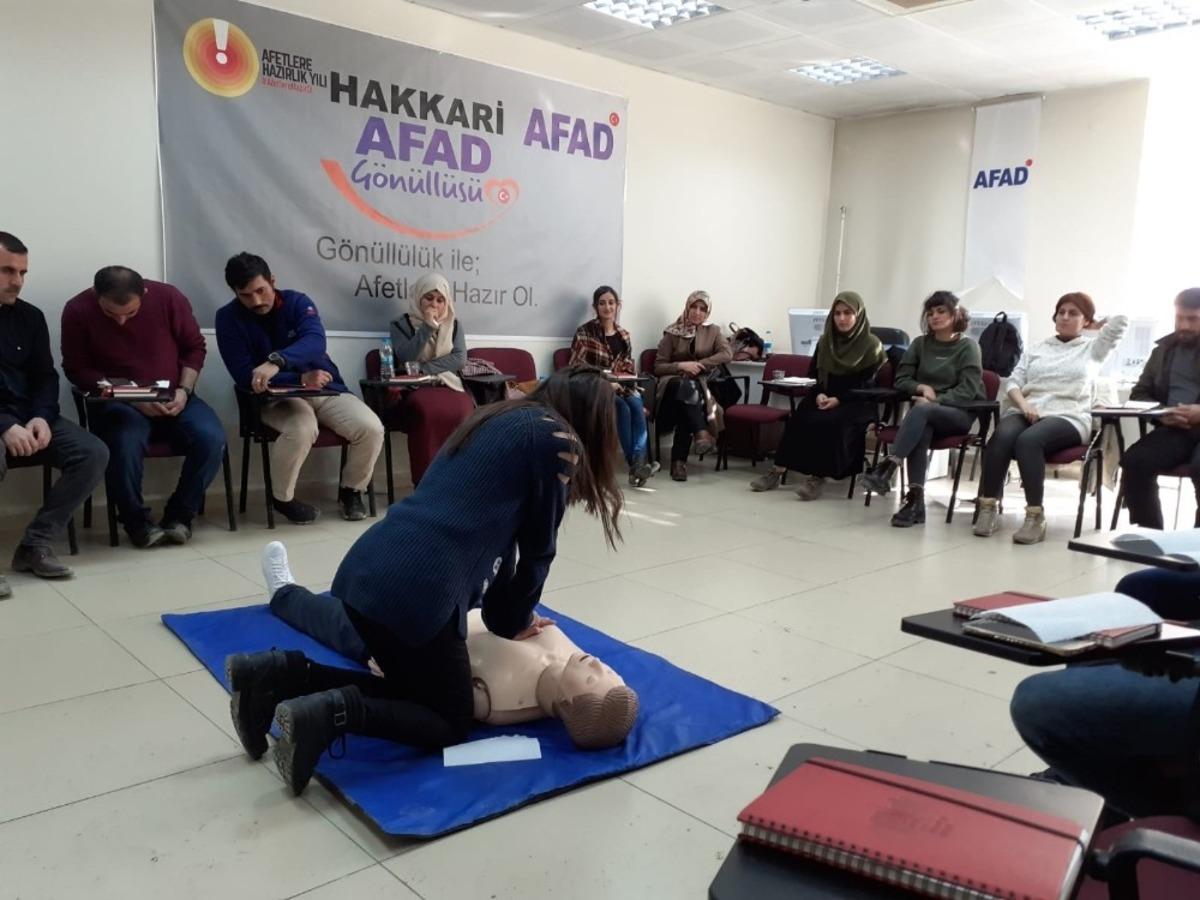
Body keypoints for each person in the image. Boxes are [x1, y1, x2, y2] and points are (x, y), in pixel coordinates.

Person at [221, 368, 624, 795]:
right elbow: (538, 549)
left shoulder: (494, 417)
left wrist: (508, 616)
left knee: (408, 692)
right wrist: (514, 617)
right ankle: (330, 714)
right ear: (595, 418)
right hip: (418, 591)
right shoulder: (558, 442)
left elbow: (500, 535)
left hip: (369, 567)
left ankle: (276, 674)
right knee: (449, 719)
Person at [266, 570, 640, 749]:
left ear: (569, 704)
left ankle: (284, 591)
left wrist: (396, 663)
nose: (596, 665)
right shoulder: (571, 658)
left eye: (594, 679)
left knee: (334, 620)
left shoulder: (501, 703)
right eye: (608, 670)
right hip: (466, 606)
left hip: (415, 639)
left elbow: (431, 692)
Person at [61, 266, 225, 547]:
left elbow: (194, 348)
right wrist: (132, 398)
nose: (122, 321)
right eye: (112, 314)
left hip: (174, 395)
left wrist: (184, 391)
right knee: (125, 439)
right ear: (94, 294)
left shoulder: (169, 298)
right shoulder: (78, 309)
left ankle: (180, 515)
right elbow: (77, 369)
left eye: (131, 313)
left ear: (145, 294)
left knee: (212, 438)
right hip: (116, 402)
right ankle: (136, 522)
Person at [216, 252, 384, 523]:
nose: (256, 301)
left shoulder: (297, 302)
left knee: (371, 428)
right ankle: (282, 498)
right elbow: (244, 374)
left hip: (324, 387)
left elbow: (316, 341)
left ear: (273, 281)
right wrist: (298, 379)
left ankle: (352, 490)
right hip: (274, 397)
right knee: (302, 428)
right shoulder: (227, 318)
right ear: (235, 292)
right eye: (246, 295)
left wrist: (277, 361)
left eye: (261, 290)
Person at [0, 233, 108, 597]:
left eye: (22, 272)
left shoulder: (29, 317)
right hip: (2, 423)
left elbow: (45, 376)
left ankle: (35, 545)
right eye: (6, 270)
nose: (17, 281)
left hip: (29, 417)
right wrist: (5, 426)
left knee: (92, 452)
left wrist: (42, 417)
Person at [975, 294, 1127, 544]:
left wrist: (1100, 323)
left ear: (1086, 321)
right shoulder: (1037, 348)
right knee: (1001, 436)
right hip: (1028, 410)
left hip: (1069, 415)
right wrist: (1024, 405)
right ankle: (988, 507)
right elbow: (1014, 382)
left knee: (1029, 441)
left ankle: (1035, 516)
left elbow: (1121, 323)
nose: (1065, 317)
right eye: (1061, 312)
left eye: (1073, 313)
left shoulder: (1093, 349)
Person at [860, 291, 984, 527]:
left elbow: (967, 390)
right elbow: (901, 379)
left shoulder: (969, 347)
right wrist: (921, 386)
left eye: (941, 311)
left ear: (955, 314)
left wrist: (935, 401)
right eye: (930, 313)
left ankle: (889, 465)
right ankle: (915, 503)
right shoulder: (920, 344)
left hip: (958, 413)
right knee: (922, 427)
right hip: (925, 415)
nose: (934, 317)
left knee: (921, 411)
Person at [749, 291, 884, 498]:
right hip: (826, 396)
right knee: (800, 417)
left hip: (858, 401)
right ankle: (777, 472)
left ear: (859, 315)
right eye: (837, 313)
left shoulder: (871, 345)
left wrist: (839, 399)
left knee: (832, 422)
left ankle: (817, 478)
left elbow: (867, 383)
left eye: (848, 313)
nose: (841, 318)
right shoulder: (826, 342)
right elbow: (815, 375)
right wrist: (820, 394)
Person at [1118, 288, 1200, 529]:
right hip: (1174, 429)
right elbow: (1140, 394)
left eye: (1192, 319)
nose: (1183, 325)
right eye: (1179, 318)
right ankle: (1150, 536)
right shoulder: (1162, 352)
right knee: (1135, 461)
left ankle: (1196, 547)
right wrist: (1165, 414)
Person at [387, 272, 475, 485]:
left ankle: (458, 481)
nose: (434, 304)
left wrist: (424, 368)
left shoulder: (454, 324)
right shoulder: (401, 324)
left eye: (440, 299)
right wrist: (427, 327)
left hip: (449, 384)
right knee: (426, 413)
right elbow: (406, 356)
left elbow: (459, 359)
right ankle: (426, 483)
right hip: (417, 388)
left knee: (463, 412)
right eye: (429, 298)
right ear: (418, 298)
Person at [570, 285, 657, 487]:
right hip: (594, 388)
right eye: (602, 303)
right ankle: (636, 466)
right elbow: (575, 369)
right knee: (622, 408)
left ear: (618, 306)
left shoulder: (624, 335)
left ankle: (637, 466)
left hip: (624, 386)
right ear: (595, 307)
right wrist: (606, 382)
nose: (607, 307)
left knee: (636, 404)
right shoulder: (584, 333)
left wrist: (623, 378)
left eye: (611, 302)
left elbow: (627, 365)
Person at [653, 291, 733, 482]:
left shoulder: (713, 331)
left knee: (688, 403)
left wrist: (700, 364)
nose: (697, 312)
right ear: (687, 307)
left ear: (707, 313)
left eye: (702, 309)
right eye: (694, 307)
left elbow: (727, 354)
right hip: (671, 386)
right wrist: (682, 366)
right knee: (687, 389)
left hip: (697, 387)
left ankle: (679, 463)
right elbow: (658, 366)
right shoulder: (672, 332)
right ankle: (700, 434)